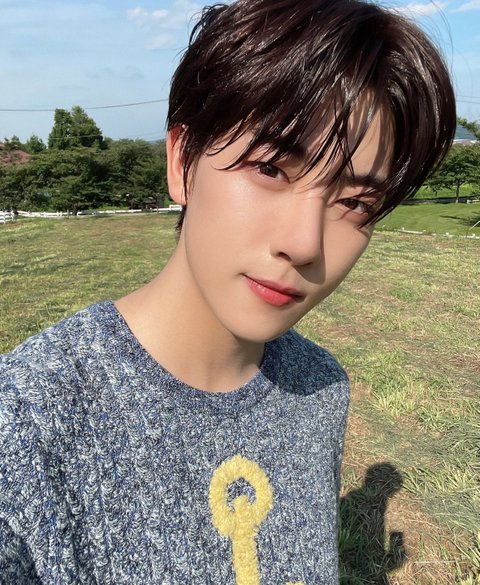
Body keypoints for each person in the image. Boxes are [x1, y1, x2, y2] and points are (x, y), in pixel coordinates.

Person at [0, 0, 455, 583]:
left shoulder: (320, 388)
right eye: (270, 168)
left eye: (355, 203)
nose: (305, 244)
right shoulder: (26, 421)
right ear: (183, 161)